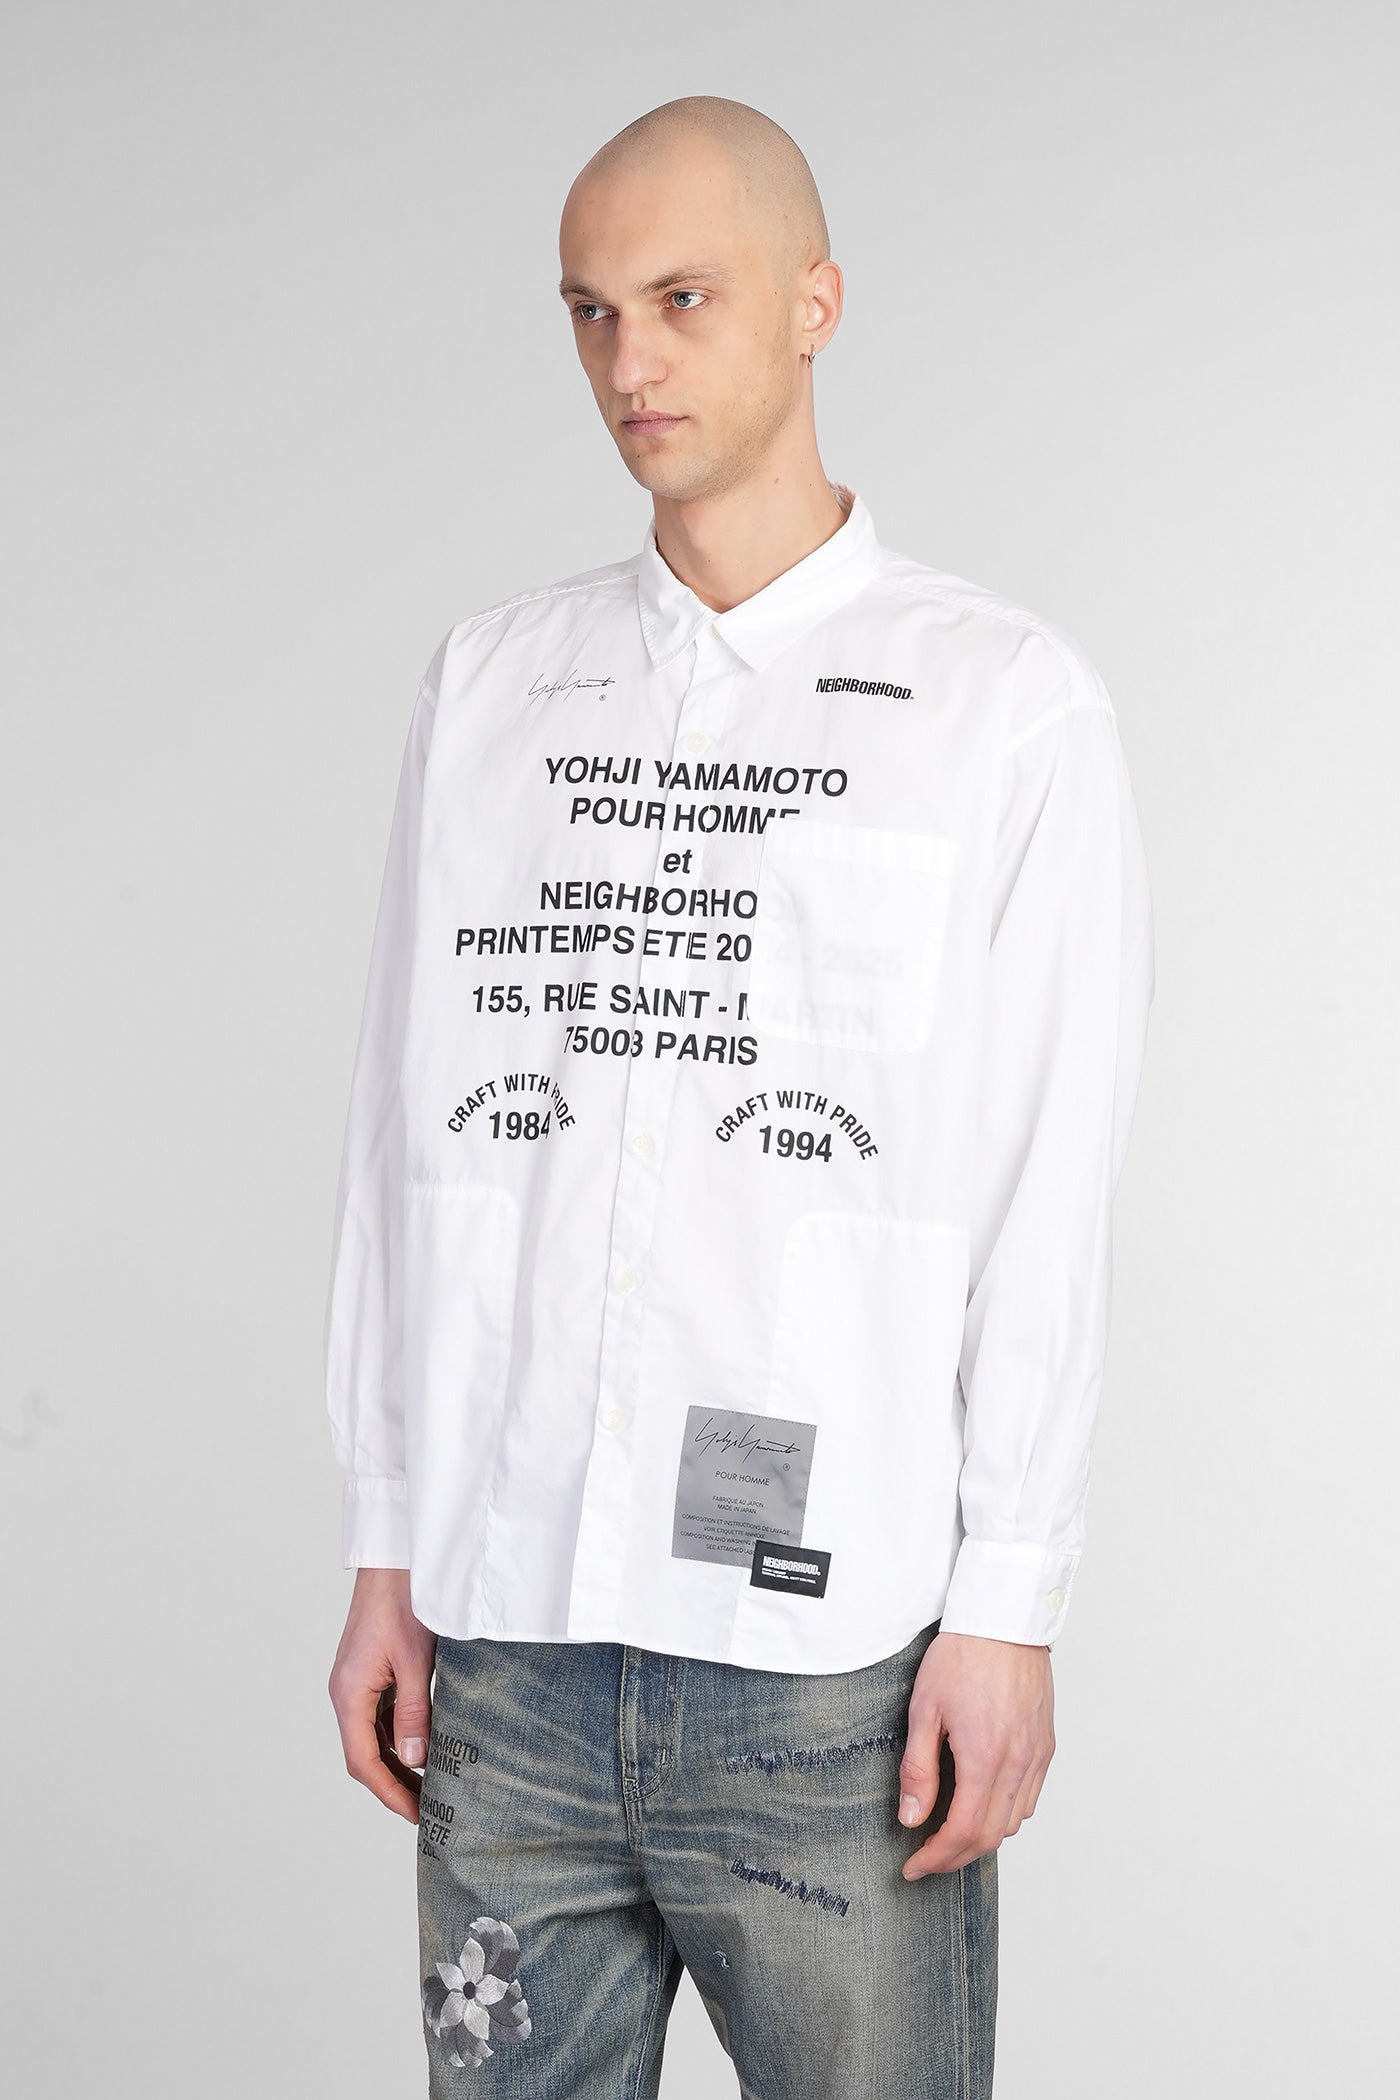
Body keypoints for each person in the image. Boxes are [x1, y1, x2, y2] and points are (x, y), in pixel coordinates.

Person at [323, 93, 1154, 2098]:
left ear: (813, 304)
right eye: (590, 310)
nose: (630, 360)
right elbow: (410, 1135)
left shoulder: (999, 703)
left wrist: (1010, 1602)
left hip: (826, 1677)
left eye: (682, 299)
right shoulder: (492, 686)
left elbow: (1046, 1179)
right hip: (508, 1642)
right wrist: (386, 1543)